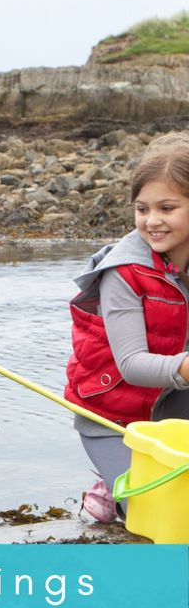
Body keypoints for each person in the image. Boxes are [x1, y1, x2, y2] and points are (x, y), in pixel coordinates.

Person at [65, 131, 189, 522]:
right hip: (114, 417)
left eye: (167, 208)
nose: (152, 221)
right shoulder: (124, 272)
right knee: (153, 514)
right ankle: (109, 480)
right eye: (142, 209)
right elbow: (132, 364)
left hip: (174, 403)